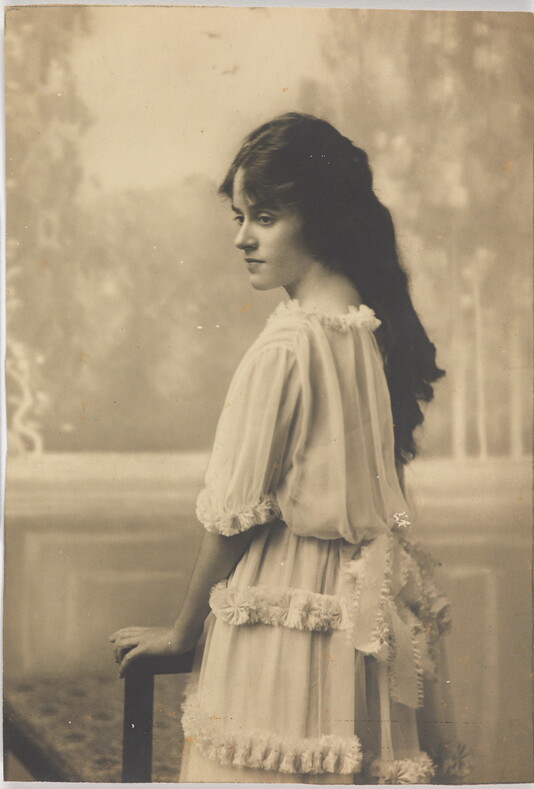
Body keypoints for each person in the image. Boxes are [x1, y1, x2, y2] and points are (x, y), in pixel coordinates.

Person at [110, 112, 471, 784]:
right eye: (240, 217)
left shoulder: (289, 344)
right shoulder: (368, 327)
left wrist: (183, 632)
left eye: (265, 217)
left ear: (324, 219)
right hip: (365, 619)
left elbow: (230, 518)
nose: (243, 238)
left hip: (289, 624)